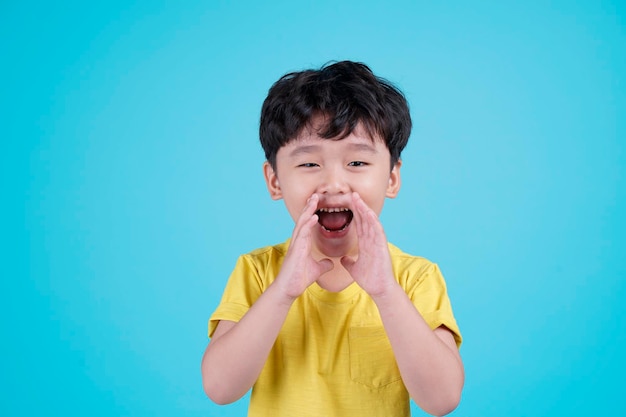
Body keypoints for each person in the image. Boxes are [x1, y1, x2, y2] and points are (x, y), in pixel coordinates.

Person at [201, 61, 464, 417]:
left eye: (357, 163)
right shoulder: (258, 272)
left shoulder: (415, 278)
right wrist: (283, 292)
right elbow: (219, 388)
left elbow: (442, 400)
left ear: (391, 179)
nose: (334, 183)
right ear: (275, 180)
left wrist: (386, 293)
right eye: (309, 164)